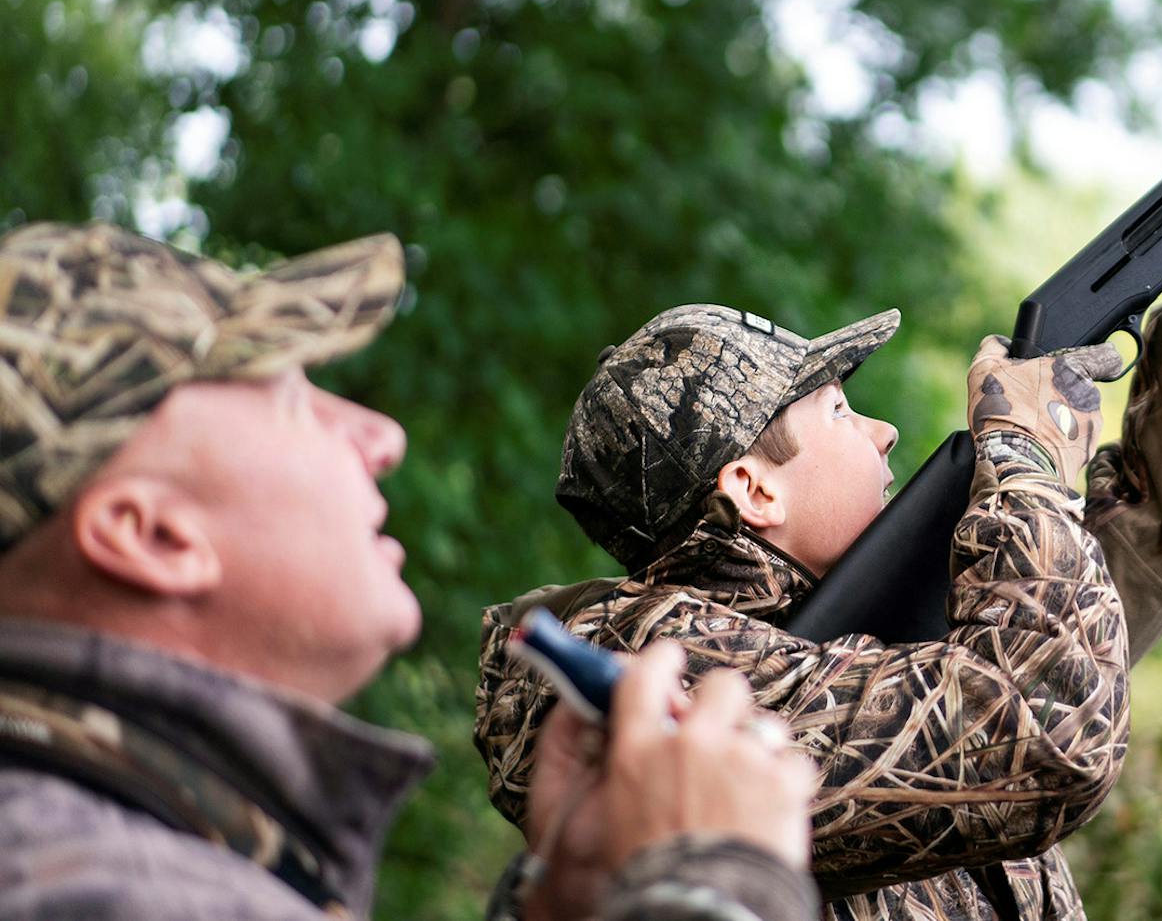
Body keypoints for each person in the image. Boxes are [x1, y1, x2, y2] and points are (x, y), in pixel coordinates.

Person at [474, 35, 1162, 920]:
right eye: (841, 413)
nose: (886, 432)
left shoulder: (896, 632)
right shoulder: (645, 681)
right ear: (753, 489)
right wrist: (1019, 463)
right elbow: (1049, 729)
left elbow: (1153, 532)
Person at [0, 221, 820, 921]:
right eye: (291, 396)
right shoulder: (98, 886)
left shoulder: (135, 846)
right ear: (152, 535)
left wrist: (565, 904)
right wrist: (712, 895)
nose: (381, 435)